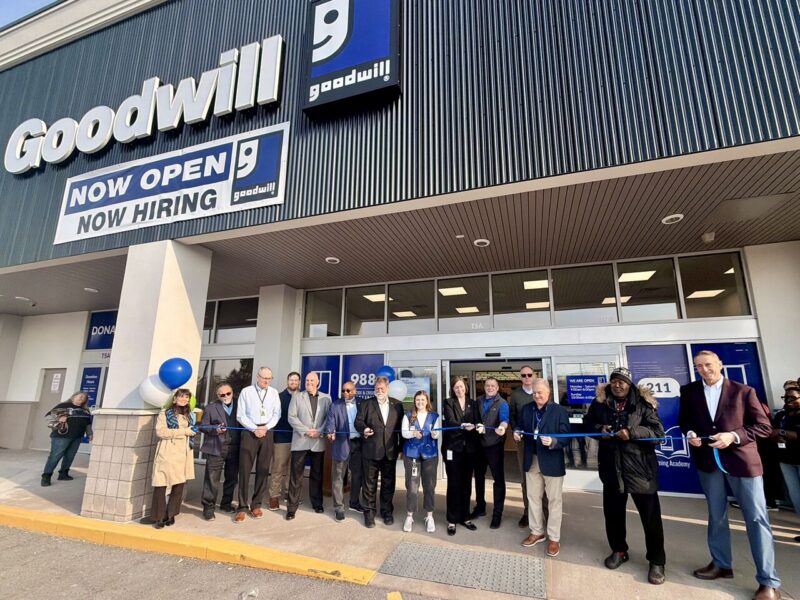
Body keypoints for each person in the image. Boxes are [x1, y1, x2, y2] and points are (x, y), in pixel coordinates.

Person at [679, 350, 780, 600]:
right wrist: (690, 433)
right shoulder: (689, 391)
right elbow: (684, 420)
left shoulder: (744, 392)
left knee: (756, 519)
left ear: (720, 364)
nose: (704, 370)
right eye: (699, 366)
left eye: (708, 364)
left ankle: (768, 582)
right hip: (708, 462)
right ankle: (721, 564)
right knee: (716, 515)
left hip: (743, 463)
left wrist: (733, 436)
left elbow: (764, 427)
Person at [585, 367, 667, 585]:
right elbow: (587, 424)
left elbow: (658, 434)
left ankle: (657, 561)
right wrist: (599, 429)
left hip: (640, 471)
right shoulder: (600, 403)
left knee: (651, 520)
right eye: (614, 381)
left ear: (629, 384)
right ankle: (619, 550)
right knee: (613, 515)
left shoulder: (643, 404)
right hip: (612, 470)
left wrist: (632, 433)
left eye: (622, 381)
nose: (618, 385)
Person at [516, 379, 569, 557]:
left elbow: (566, 437)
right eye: (535, 392)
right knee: (533, 498)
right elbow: (521, 427)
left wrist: (554, 441)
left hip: (552, 460)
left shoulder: (559, 411)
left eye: (540, 392)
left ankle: (554, 538)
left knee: (554, 501)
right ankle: (537, 531)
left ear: (548, 393)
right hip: (532, 460)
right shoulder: (527, 409)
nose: (537, 395)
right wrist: (517, 432)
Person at [355, 376, 404, 528]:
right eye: (377, 388)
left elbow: (402, 428)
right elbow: (358, 421)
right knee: (369, 485)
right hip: (370, 451)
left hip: (389, 452)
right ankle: (369, 514)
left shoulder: (398, 405)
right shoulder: (366, 403)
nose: (379, 391)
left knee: (388, 485)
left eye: (382, 388)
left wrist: (401, 448)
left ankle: (387, 512)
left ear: (387, 389)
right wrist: (364, 429)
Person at [235, 366, 281, 524]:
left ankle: (256, 505)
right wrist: (254, 428)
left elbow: (277, 414)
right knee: (245, 470)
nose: (266, 380)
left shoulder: (274, 393)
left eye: (269, 378)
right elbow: (240, 415)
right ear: (257, 376)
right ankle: (241, 507)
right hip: (249, 432)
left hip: (267, 432)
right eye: (264, 377)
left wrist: (265, 427)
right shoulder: (246, 392)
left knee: (263, 469)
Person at [286, 371, 332, 520]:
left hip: (317, 442)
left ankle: (317, 503)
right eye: (307, 381)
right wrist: (306, 431)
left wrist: (319, 431)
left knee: (317, 475)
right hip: (301, 441)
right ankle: (291, 508)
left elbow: (329, 418)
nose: (309, 383)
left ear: (318, 382)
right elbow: (291, 417)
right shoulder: (297, 396)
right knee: (296, 476)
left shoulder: (326, 398)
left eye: (312, 381)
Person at [150, 388, 196, 529]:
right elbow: (161, 432)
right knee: (161, 484)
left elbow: (192, 430)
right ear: (175, 398)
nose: (184, 399)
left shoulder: (190, 415)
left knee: (178, 485)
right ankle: (159, 516)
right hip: (168, 450)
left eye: (186, 397)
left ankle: (171, 514)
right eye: (181, 397)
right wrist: (184, 431)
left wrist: (193, 431)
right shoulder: (165, 413)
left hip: (184, 452)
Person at [442, 377, 479, 535]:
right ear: (453, 389)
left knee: (466, 484)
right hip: (453, 448)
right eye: (456, 387)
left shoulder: (473, 403)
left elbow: (477, 421)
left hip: (469, 450)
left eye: (461, 387)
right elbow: (450, 421)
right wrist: (463, 425)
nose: (459, 389)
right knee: (454, 484)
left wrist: (478, 426)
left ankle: (465, 516)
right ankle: (452, 519)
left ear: (466, 387)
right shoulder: (448, 402)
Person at [471, 377, 509, 529]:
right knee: (479, 478)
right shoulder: (478, 401)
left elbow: (504, 420)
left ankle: (497, 514)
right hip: (479, 446)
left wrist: (502, 428)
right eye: (487, 385)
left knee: (498, 480)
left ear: (497, 388)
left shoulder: (502, 403)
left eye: (493, 385)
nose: (490, 388)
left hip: (494, 446)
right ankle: (480, 508)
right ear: (484, 387)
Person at [199, 382, 241, 520]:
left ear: (232, 393)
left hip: (235, 447)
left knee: (232, 478)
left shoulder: (240, 405)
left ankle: (226, 504)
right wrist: (215, 429)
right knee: (212, 478)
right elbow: (203, 426)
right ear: (218, 395)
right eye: (222, 395)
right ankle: (208, 507)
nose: (225, 397)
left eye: (228, 393)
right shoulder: (211, 407)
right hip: (216, 447)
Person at [401, 390, 441, 533]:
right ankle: (409, 515)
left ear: (427, 401)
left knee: (429, 486)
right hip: (412, 454)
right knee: (412, 487)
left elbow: (437, 434)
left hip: (430, 455)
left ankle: (429, 516)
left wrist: (435, 433)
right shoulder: (408, 416)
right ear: (415, 401)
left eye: (422, 400)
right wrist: (413, 433)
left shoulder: (434, 416)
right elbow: (404, 432)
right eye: (417, 400)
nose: (420, 402)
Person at [326, 380, 364, 522]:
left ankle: (354, 502)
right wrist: (330, 431)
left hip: (358, 444)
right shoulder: (335, 405)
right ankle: (339, 508)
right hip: (341, 444)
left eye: (348, 390)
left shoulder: (362, 403)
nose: (345, 393)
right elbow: (330, 422)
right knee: (338, 476)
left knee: (357, 475)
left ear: (354, 391)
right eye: (343, 390)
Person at [41, 391, 93, 486]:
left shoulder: (85, 410)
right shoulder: (63, 405)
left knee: (70, 456)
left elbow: (88, 424)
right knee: (55, 456)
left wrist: (90, 434)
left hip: (77, 437)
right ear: (73, 397)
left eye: (84, 397)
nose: (82, 398)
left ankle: (63, 474)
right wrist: (59, 418)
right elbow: (48, 416)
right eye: (80, 396)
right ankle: (46, 476)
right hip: (61, 436)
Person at [770, 382, 800, 540]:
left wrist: (783, 432)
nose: (788, 401)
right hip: (786, 460)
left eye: (793, 398)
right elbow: (772, 431)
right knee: (796, 497)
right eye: (786, 397)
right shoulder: (782, 415)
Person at [269, 371, 300, 511]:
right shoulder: (279, 397)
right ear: (287, 381)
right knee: (278, 469)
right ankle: (274, 496)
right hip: (282, 438)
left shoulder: (302, 397)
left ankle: (289, 493)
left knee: (292, 469)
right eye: (291, 380)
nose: (293, 382)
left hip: (299, 439)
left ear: (299, 382)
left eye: (296, 380)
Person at [509, 366, 536, 528]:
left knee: (542, 477)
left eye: (529, 375)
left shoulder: (539, 391)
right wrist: (515, 429)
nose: (527, 377)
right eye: (523, 375)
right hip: (523, 442)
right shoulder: (516, 394)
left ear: (534, 376)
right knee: (525, 477)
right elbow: (512, 415)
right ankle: (527, 512)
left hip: (541, 442)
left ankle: (544, 513)